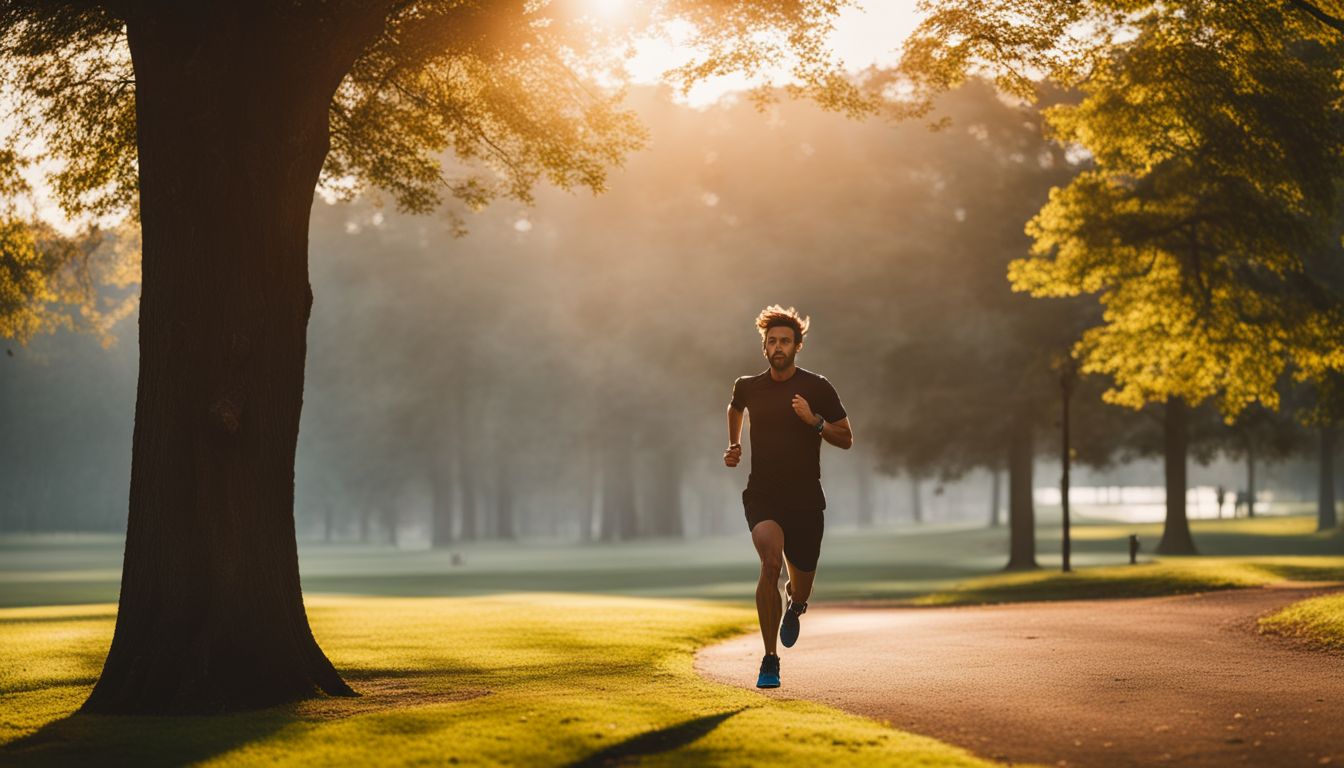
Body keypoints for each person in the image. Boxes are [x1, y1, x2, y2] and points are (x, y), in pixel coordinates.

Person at [723, 305, 853, 689]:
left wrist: (814, 422)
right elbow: (735, 408)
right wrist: (734, 445)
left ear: (798, 345)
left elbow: (846, 438)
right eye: (772, 341)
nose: (778, 347)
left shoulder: (817, 387)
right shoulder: (748, 385)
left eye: (785, 341)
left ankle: (795, 603)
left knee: (801, 582)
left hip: (806, 500)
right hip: (763, 495)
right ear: (764, 347)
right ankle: (769, 660)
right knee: (769, 563)